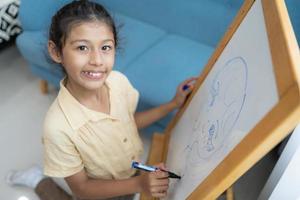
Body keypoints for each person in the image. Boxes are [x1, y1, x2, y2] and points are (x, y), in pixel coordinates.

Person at [7, 0, 196, 199]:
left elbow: (129, 122)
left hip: (131, 174)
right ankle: (37, 180)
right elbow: (82, 189)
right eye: (82, 48)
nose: (97, 60)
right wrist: (140, 183)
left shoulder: (118, 81)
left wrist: (173, 104)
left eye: (105, 47)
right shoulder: (58, 128)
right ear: (56, 52)